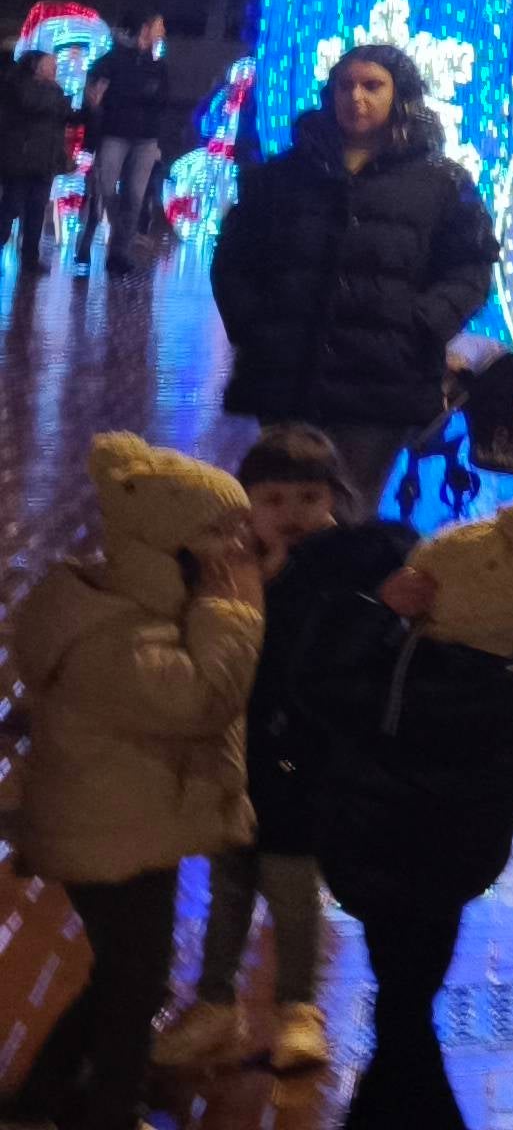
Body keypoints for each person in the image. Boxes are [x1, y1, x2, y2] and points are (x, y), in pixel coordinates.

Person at [291, 495, 513, 1130]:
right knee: (412, 989)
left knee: (402, 1001)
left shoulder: (418, 676)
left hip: (383, 850)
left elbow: (319, 681)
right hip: (464, 855)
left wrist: (376, 610)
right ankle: (386, 1109)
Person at [3, 434, 261, 1130]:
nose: (238, 547)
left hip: (130, 817)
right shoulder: (116, 637)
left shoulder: (141, 605)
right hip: (106, 828)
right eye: (222, 532)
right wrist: (233, 608)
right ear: (167, 541)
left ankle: (44, 1100)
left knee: (127, 972)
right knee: (134, 977)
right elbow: (205, 698)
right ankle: (104, 1112)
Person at [212, 44, 501, 517]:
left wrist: (422, 324)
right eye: (345, 85)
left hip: (381, 378)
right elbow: (234, 260)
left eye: (372, 86)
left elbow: (470, 267)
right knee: (276, 511)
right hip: (289, 373)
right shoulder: (281, 179)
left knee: (345, 514)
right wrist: (256, 327)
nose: (356, 98)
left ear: (399, 95)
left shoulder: (441, 184)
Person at [157, 428, 360, 1080]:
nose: (294, 513)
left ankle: (299, 1009)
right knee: (231, 883)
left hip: (303, 762)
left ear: (335, 497)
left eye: (309, 496)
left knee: (295, 890)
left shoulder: (340, 568)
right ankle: (215, 1001)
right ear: (245, 501)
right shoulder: (228, 567)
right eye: (273, 498)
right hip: (237, 755)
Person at [71, 13, 172, 273]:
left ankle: (120, 253)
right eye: (158, 27)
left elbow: (163, 99)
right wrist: (98, 99)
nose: (162, 33)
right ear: (145, 28)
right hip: (115, 132)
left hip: (145, 137)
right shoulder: (116, 59)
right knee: (104, 188)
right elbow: (98, 88)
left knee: (135, 196)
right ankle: (90, 239)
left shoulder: (157, 65)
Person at [1, 45, 70, 273]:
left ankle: (30, 257)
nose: (55, 70)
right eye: (51, 65)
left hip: (43, 160)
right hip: (22, 158)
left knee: (36, 209)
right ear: (37, 67)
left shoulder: (54, 92)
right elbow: (32, 103)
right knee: (11, 206)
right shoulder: (20, 86)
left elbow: (61, 122)